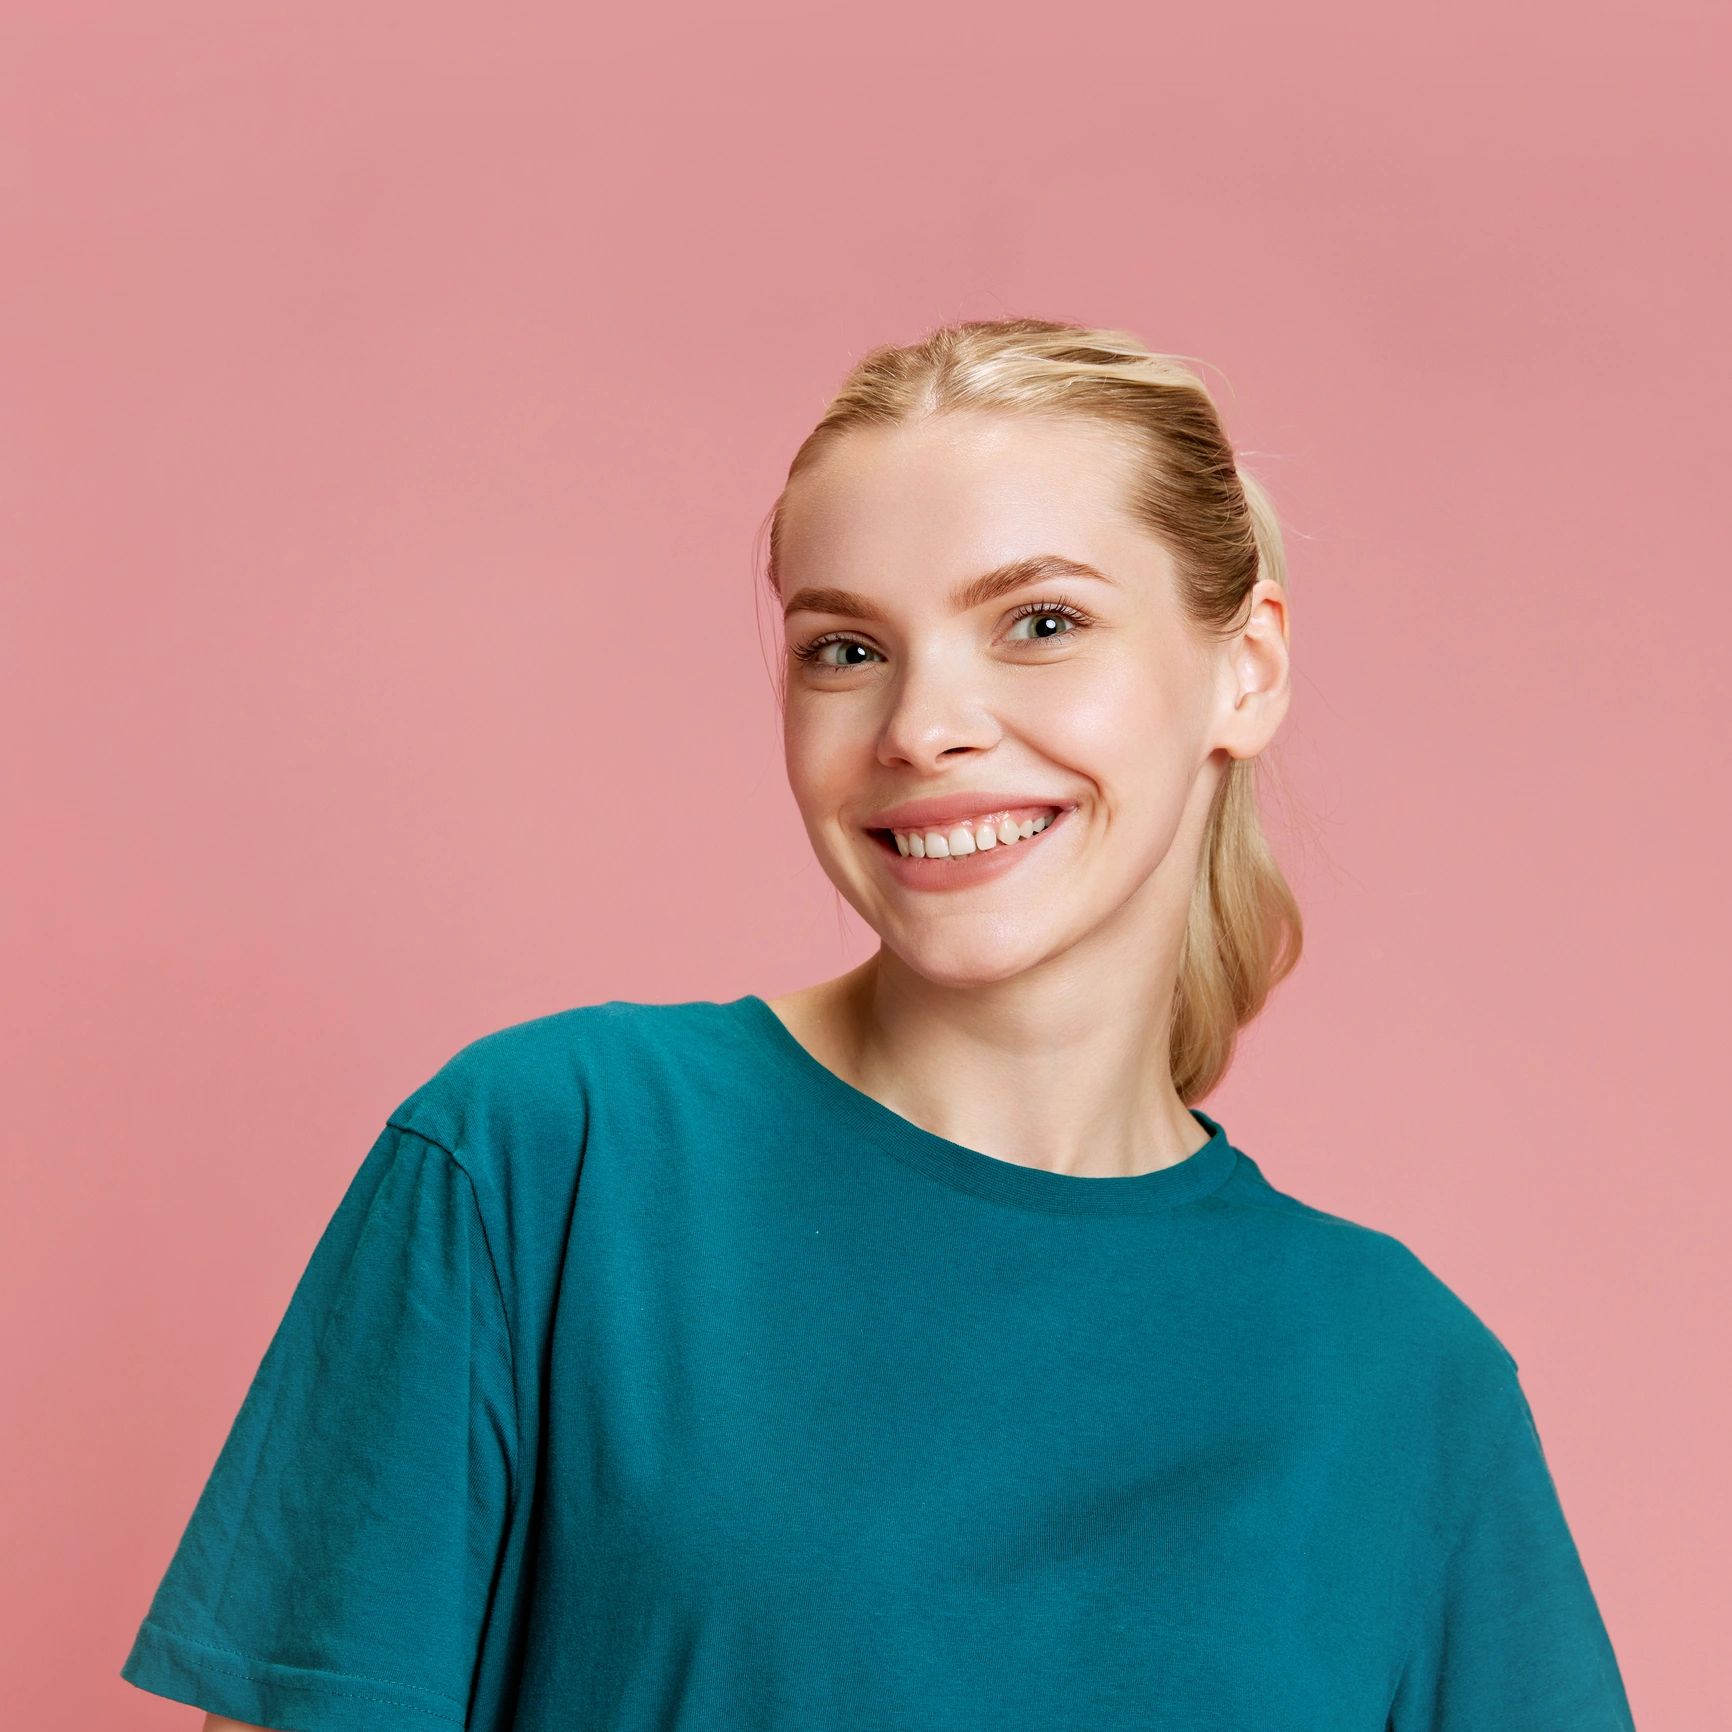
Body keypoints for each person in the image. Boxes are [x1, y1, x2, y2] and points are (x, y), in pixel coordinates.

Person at [120, 318, 1637, 1731]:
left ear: (1245, 666)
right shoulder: (548, 1162)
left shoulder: (1405, 1384)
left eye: (1039, 622)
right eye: (846, 649)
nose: (922, 727)